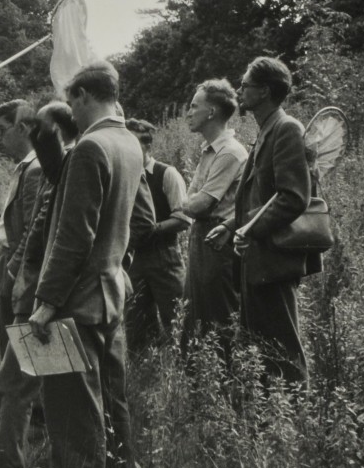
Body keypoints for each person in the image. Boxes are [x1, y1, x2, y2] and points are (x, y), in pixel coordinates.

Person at [29, 62, 145, 468]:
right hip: (109, 294)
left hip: (75, 304)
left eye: (70, 103)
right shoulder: (130, 142)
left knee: (70, 416)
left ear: (81, 96)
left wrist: (46, 303)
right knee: (108, 406)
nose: (69, 114)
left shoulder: (90, 147)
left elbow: (75, 235)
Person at [0, 101, 77, 468]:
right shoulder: (43, 167)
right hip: (38, 290)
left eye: (42, 130)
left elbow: (39, 231)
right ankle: (57, 465)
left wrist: (18, 274)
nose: (38, 137)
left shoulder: (44, 169)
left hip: (39, 293)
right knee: (45, 385)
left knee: (17, 387)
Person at [209, 57, 319, 386]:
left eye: (246, 85)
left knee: (283, 348)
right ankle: (271, 420)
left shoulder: (286, 129)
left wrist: (248, 228)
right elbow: (258, 197)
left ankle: (297, 419)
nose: (240, 90)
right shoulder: (266, 130)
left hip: (275, 259)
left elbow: (293, 197)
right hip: (258, 258)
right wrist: (231, 224)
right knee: (262, 346)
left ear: (265, 91)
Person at [182, 80, 247, 342]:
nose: (188, 112)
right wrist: (188, 203)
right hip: (203, 237)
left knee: (217, 318)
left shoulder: (229, 153)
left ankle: (224, 378)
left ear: (211, 113)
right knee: (195, 313)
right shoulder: (210, 151)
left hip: (218, 241)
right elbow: (191, 200)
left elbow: (198, 204)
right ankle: (199, 378)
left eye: (194, 106)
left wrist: (185, 204)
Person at [124, 118, 192, 353]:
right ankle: (145, 374)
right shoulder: (122, 176)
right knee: (135, 325)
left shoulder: (166, 174)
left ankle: (183, 370)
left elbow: (184, 219)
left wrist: (153, 228)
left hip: (164, 256)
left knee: (177, 319)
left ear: (146, 146)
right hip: (133, 258)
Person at [0, 99, 43, 355]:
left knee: (17, 344)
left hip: (17, 262)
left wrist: (13, 270)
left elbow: (32, 229)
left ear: (22, 128)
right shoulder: (22, 167)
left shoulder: (35, 169)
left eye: (2, 130)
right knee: (8, 338)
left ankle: (18, 395)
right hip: (8, 257)